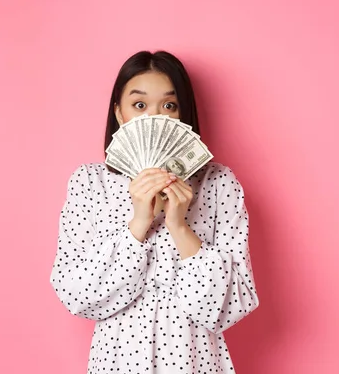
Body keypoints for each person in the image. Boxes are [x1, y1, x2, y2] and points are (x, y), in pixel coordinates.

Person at [50, 50, 259, 373]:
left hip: (196, 361)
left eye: (169, 105)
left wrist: (179, 225)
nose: (154, 117)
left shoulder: (218, 183)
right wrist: (139, 222)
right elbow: (76, 294)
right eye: (139, 105)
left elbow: (231, 305)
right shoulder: (90, 183)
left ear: (183, 115)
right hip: (118, 362)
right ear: (119, 113)